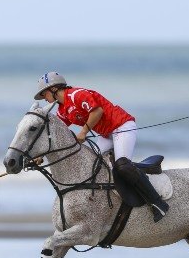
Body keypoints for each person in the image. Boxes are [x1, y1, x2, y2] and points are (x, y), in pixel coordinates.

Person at [34, 71, 169, 222]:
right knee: (91, 165)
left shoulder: (77, 95)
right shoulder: (62, 110)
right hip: (106, 134)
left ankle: (158, 203)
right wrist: (40, 155)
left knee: (122, 165)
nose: (44, 98)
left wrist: (83, 132)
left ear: (54, 88)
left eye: (44, 94)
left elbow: (97, 111)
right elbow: (57, 133)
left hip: (122, 126)